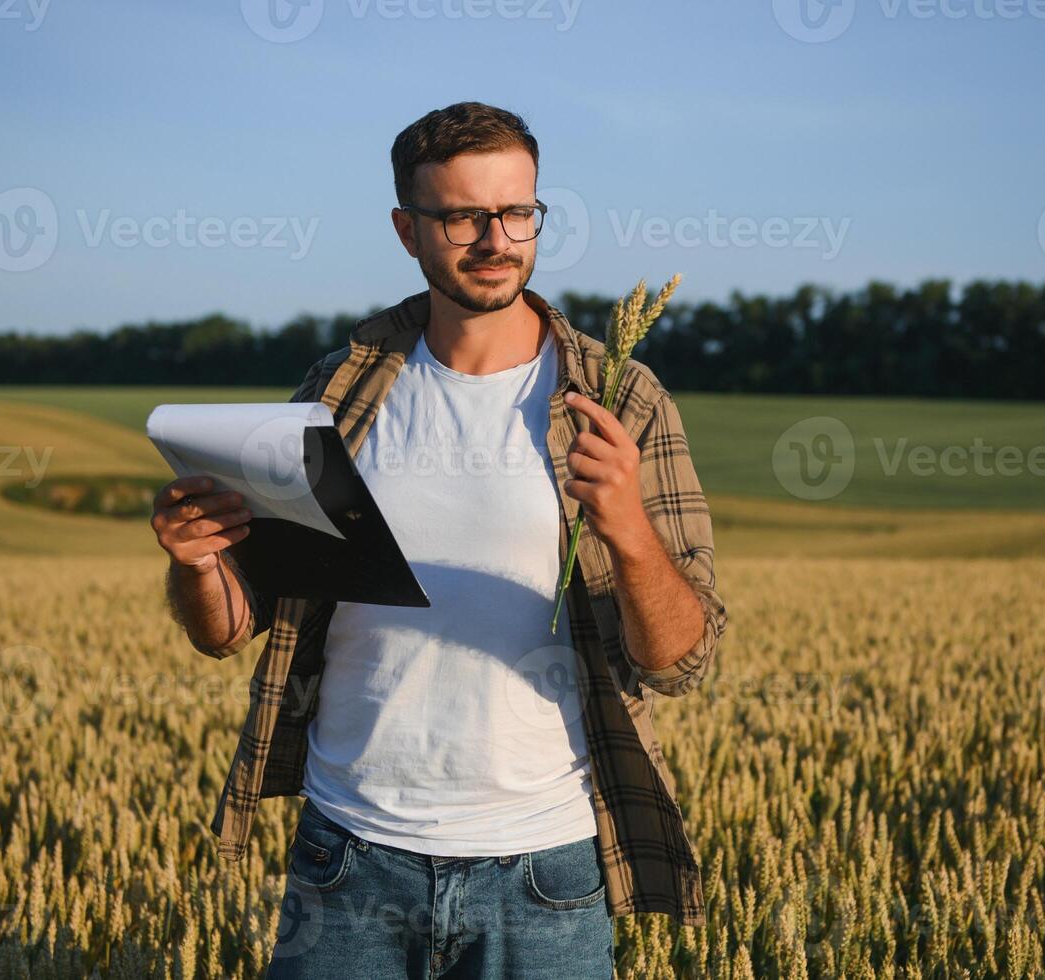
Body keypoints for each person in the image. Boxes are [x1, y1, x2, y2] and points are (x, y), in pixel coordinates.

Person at [150, 101, 726, 978]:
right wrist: (197, 565)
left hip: (546, 868)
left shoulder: (621, 397)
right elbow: (228, 628)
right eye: (463, 216)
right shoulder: (339, 389)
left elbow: (679, 661)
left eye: (518, 212)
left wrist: (630, 532)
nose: (496, 239)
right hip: (348, 859)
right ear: (406, 231)